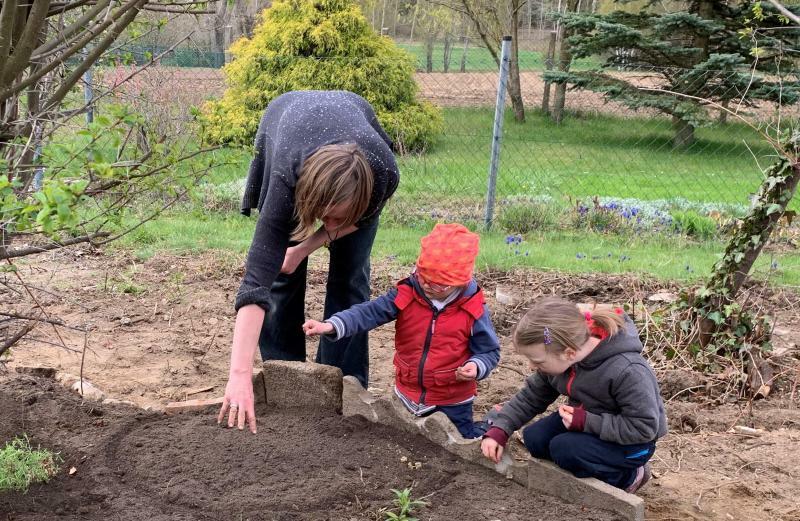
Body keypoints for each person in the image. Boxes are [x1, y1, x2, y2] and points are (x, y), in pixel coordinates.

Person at [218, 91, 399, 433]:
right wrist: (238, 375)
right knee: (279, 280)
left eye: (338, 218)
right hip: (288, 125)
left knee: (351, 278)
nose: (330, 225)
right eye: (323, 217)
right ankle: (284, 377)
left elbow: (352, 223)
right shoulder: (288, 178)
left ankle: (344, 381)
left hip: (354, 125)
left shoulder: (383, 173)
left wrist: (304, 248)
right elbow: (255, 284)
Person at [303, 223, 500, 439]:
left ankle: (493, 423)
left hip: (451, 400)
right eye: (424, 277)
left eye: (439, 284)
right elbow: (370, 312)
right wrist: (331, 324)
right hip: (406, 393)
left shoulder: (473, 310)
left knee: (459, 444)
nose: (427, 286)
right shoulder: (408, 293)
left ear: (460, 281)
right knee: (404, 442)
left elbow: (489, 351)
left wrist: (475, 366)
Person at [481, 297, 667, 494]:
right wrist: (501, 429)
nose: (532, 366)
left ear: (568, 353)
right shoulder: (564, 357)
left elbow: (644, 428)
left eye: (537, 361)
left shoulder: (628, 370)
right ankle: (583, 467)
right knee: (535, 438)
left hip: (632, 443)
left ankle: (629, 476)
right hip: (586, 421)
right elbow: (531, 396)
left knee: (565, 450)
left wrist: (586, 422)